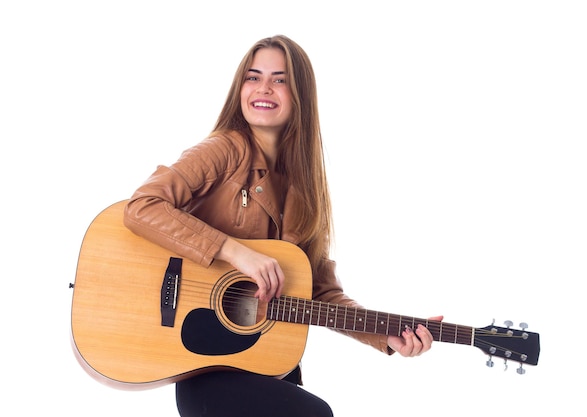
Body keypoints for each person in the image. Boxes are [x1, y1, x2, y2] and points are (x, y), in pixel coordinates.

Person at [123, 34, 442, 417]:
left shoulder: (307, 190)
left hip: (266, 362)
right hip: (205, 361)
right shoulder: (224, 150)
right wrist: (235, 252)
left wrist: (385, 334)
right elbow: (143, 205)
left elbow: (320, 293)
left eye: (280, 79)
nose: (263, 89)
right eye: (253, 77)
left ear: (300, 94)